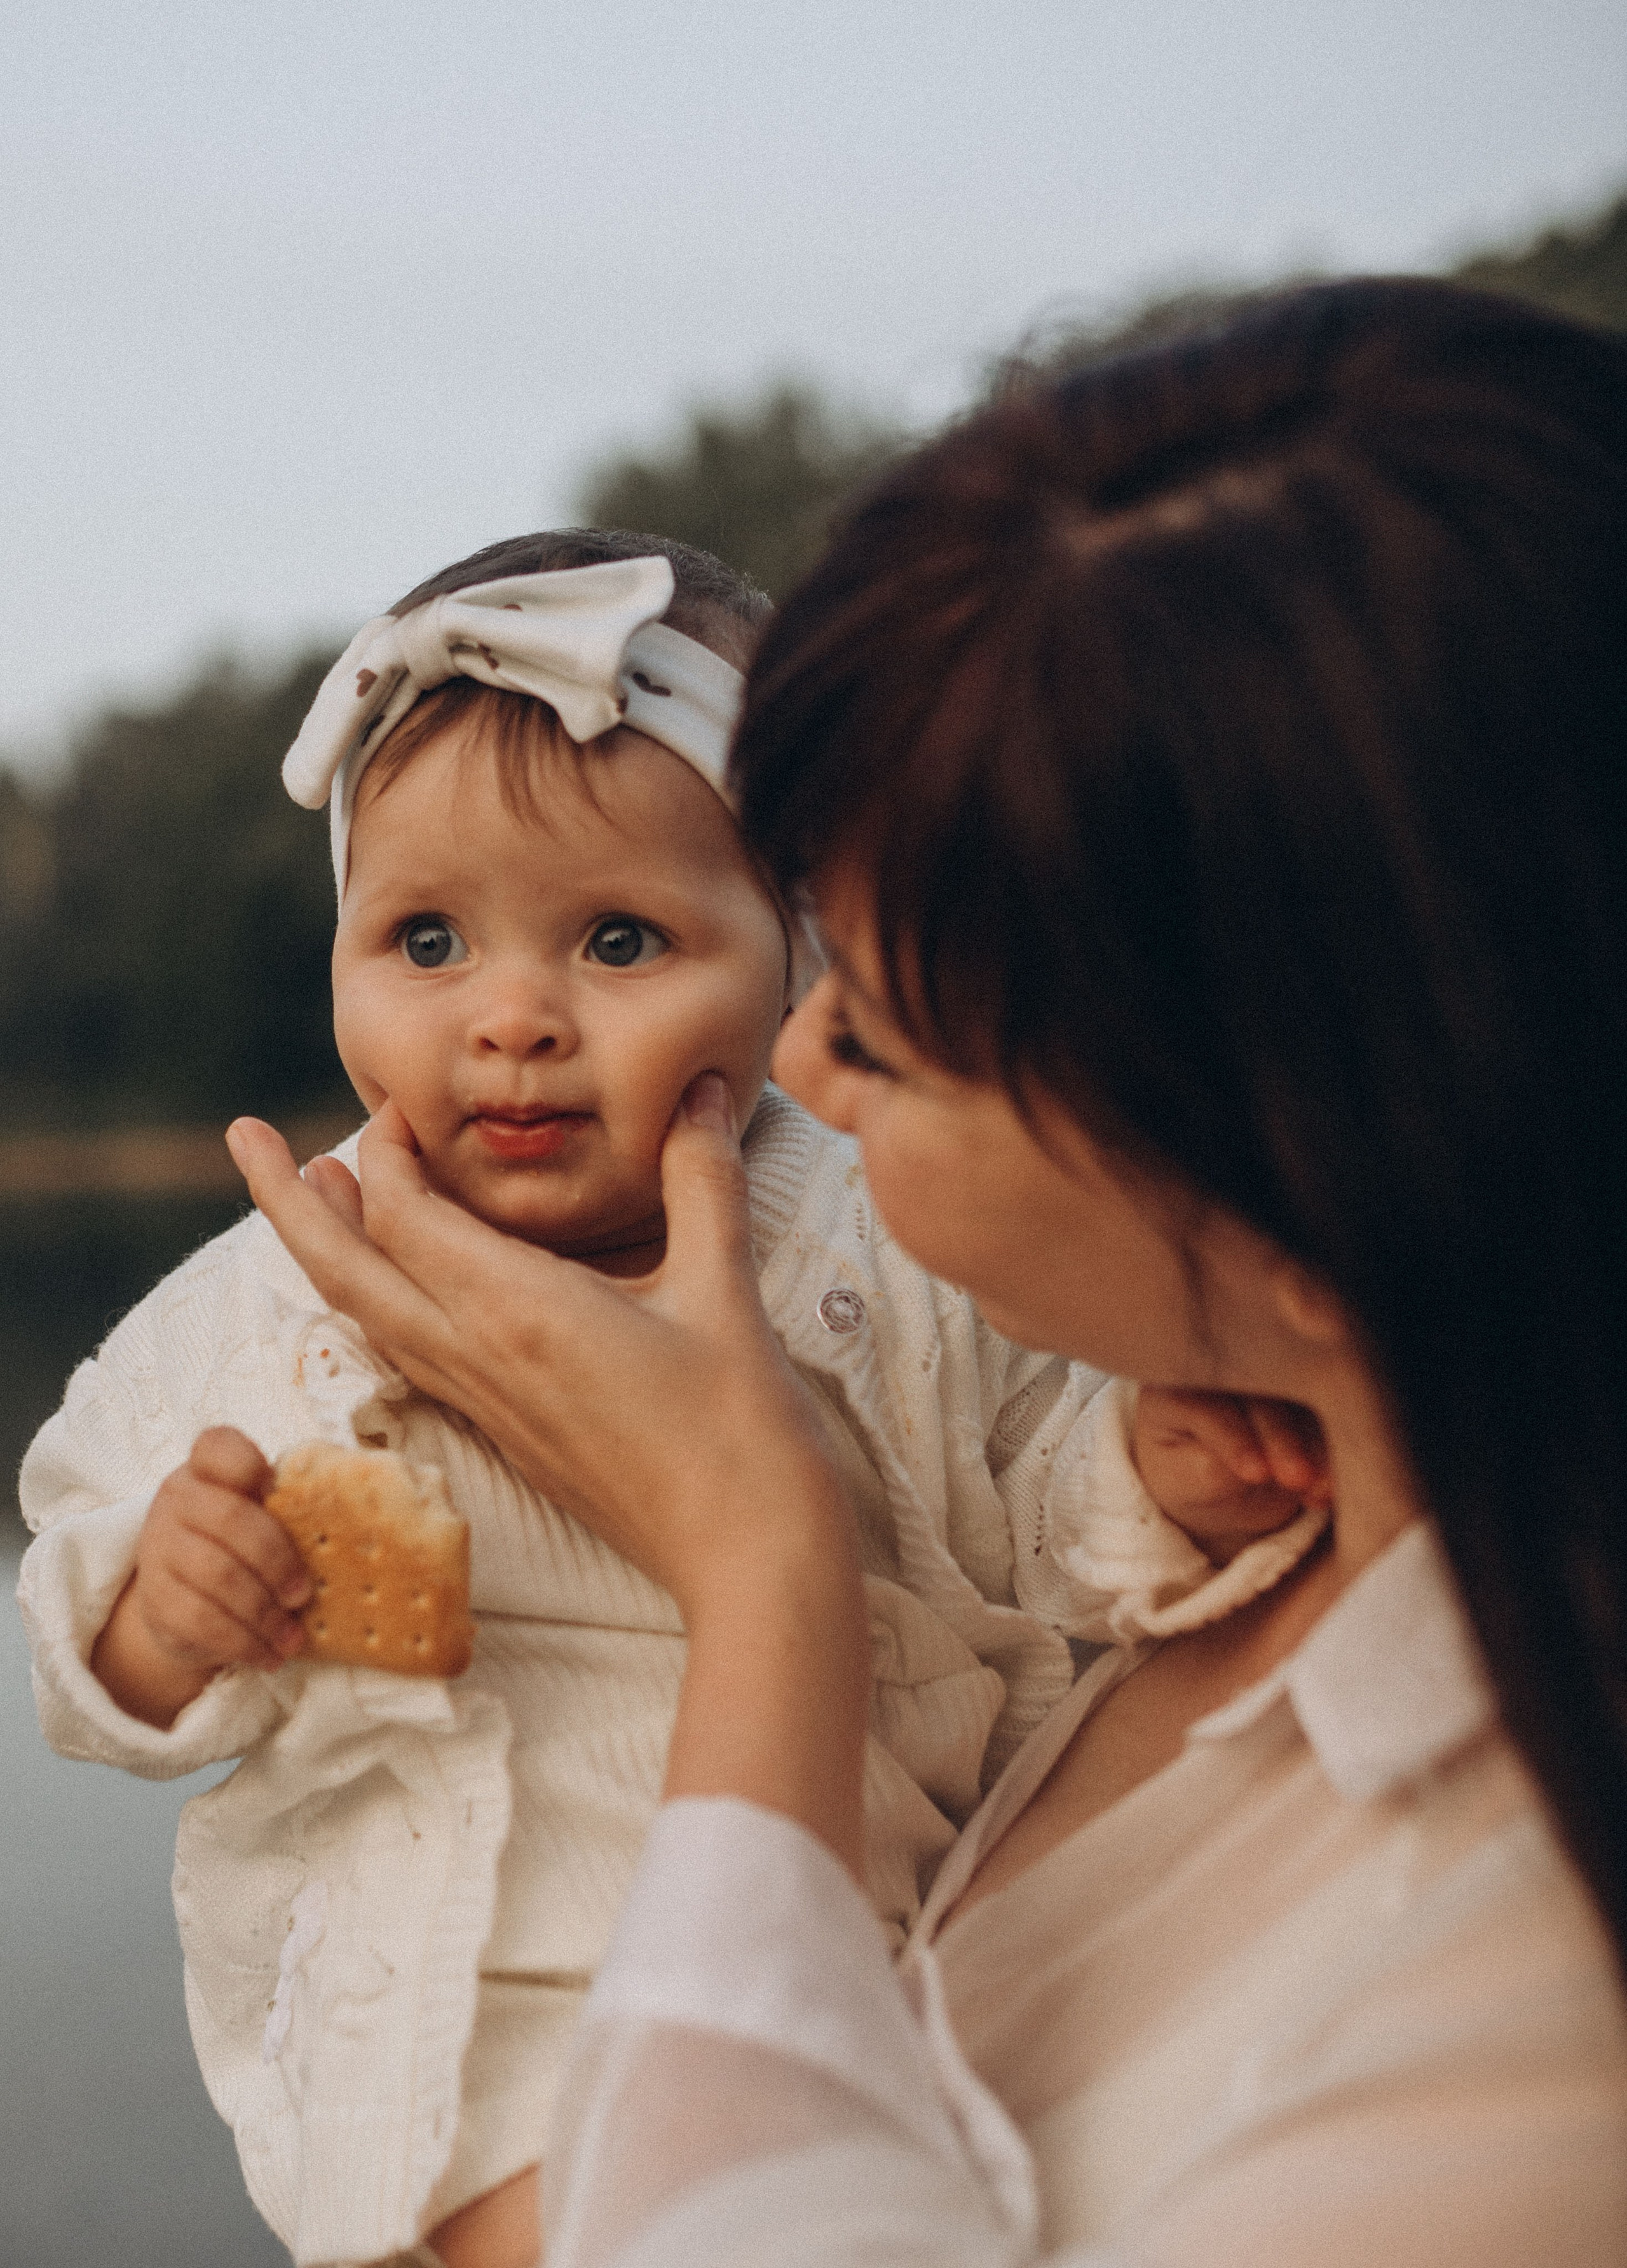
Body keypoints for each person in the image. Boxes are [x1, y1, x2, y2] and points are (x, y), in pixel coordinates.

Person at [228, 278, 1627, 2265]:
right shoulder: (1241, 1487)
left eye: (878, 1028)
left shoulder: (1525, 2081)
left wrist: (759, 1563)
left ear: (1307, 1184)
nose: (795, 1070)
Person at [15, 530, 1321, 2268]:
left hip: (873, 1969)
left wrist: (1153, 1472)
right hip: (454, 2038)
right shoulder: (283, 1292)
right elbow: (74, 1581)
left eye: (619, 940)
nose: (512, 1018)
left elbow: (1039, 1504)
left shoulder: (888, 1240)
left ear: (787, 951)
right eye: (423, 939)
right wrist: (154, 1613)